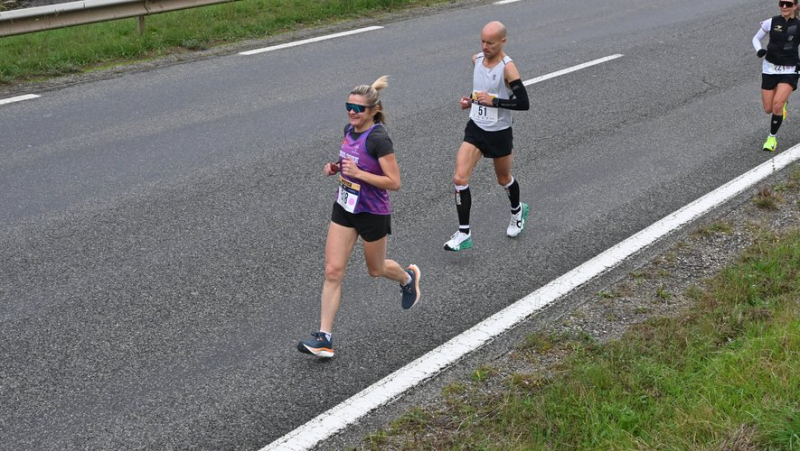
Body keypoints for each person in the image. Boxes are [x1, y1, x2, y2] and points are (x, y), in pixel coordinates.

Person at [298, 76, 420, 359]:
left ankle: (407, 278)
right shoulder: (349, 129)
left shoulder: (379, 138)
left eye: (359, 109)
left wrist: (359, 174)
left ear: (373, 111)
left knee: (375, 270)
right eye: (349, 107)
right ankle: (324, 338)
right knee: (332, 271)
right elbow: (350, 160)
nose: (352, 113)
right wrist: (336, 167)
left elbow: (394, 182)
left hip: (372, 211)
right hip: (345, 207)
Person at [444, 21, 531, 252]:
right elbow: (480, 92)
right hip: (476, 128)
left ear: (503, 41)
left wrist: (495, 102)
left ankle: (517, 210)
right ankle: (464, 233)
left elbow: (524, 103)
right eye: (482, 41)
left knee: (503, 179)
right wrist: (470, 102)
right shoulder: (477, 60)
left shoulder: (507, 68)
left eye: (490, 43)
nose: (484, 46)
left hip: (499, 131)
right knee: (459, 179)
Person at [753, 0, 800, 152]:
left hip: (789, 69)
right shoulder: (771, 22)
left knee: (777, 105)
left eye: (788, 3)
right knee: (768, 109)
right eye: (782, 3)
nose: (784, 7)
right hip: (769, 68)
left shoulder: (798, 25)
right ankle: (782, 105)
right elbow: (756, 38)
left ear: (795, 6)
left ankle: (771, 138)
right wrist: (759, 50)